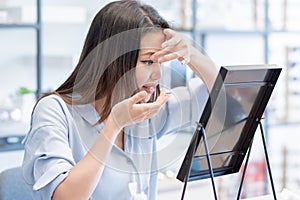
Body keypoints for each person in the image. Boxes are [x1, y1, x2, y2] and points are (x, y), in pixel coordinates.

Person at [22, 0, 218, 199]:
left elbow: (222, 94)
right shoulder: (55, 111)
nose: (157, 74)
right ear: (113, 58)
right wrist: (114, 124)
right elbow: (64, 197)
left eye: (160, 62)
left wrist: (191, 53)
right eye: (148, 61)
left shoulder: (144, 108)